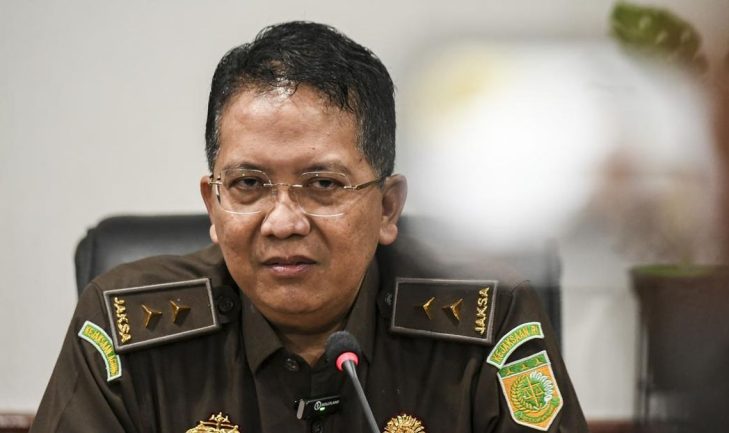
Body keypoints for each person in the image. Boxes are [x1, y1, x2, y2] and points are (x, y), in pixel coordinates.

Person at [31, 21, 587, 433]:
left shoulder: (491, 318)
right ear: (213, 205)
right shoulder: (124, 328)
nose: (283, 222)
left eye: (322, 184)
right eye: (249, 184)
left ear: (387, 208)